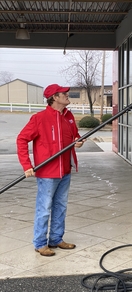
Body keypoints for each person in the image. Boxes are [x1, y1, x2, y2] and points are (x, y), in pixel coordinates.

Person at [16, 84, 85, 257]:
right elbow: (21, 139)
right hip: (47, 173)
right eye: (65, 94)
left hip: (65, 171)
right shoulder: (39, 118)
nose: (68, 95)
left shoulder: (68, 117)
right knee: (44, 208)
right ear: (55, 97)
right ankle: (40, 243)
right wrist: (27, 165)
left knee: (60, 206)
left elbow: (75, 136)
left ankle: (56, 239)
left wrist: (78, 141)